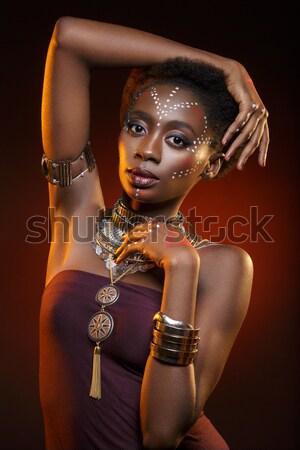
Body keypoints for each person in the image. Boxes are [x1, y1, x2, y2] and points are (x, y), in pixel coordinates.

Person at [39, 16, 269, 450]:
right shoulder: (77, 219)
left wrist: (181, 269)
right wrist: (222, 66)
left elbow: (162, 433)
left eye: (178, 140)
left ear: (213, 163)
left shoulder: (223, 267)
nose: (148, 149)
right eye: (138, 127)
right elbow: (68, 40)